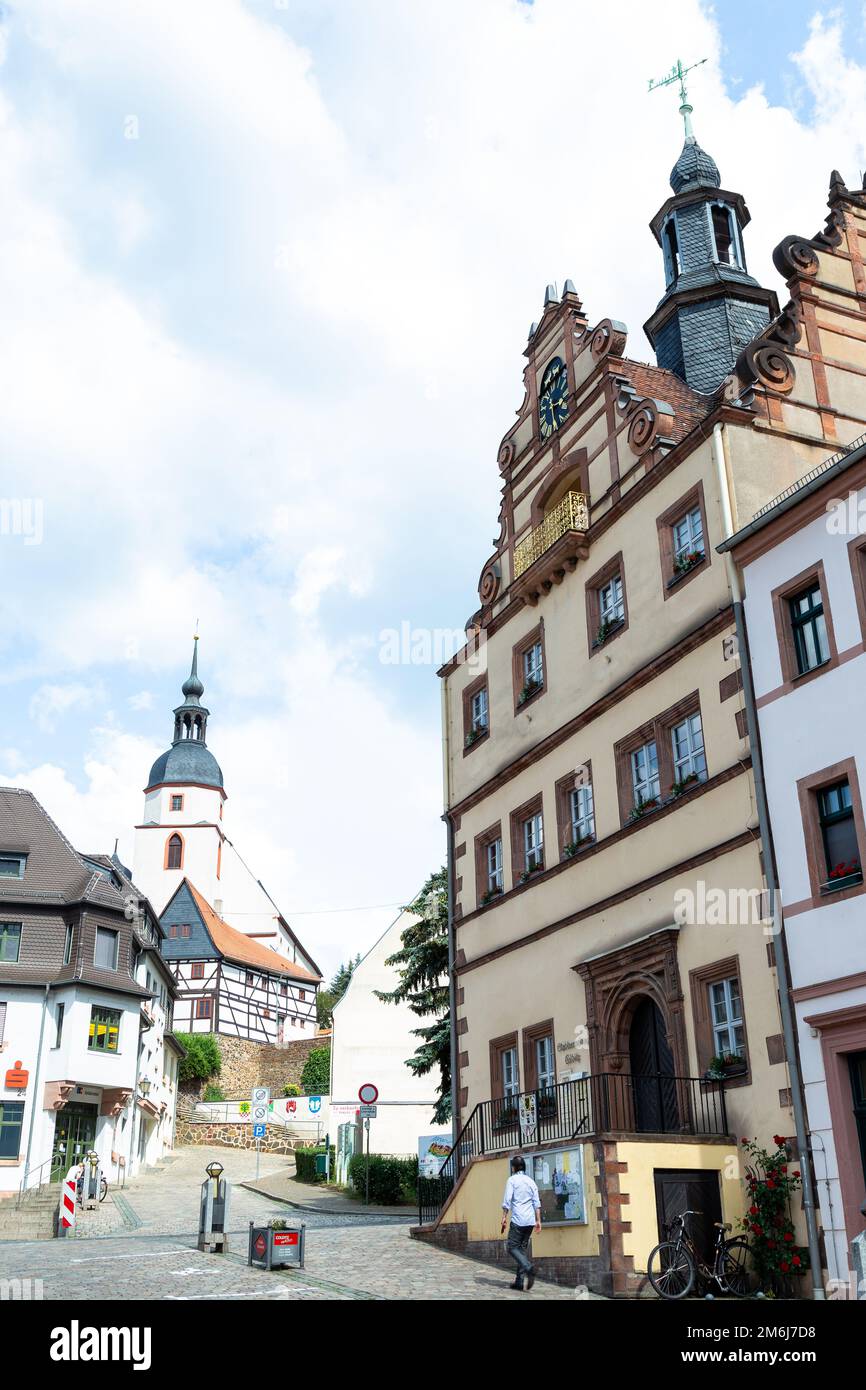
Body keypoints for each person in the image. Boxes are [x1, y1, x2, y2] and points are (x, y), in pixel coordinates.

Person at [500, 1154, 541, 1291]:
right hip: (530, 1220)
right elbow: (536, 1202)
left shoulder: (512, 1180)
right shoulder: (531, 1181)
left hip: (518, 1219)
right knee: (521, 1250)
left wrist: (504, 1217)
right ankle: (519, 1282)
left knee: (512, 1247)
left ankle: (529, 1268)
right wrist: (538, 1220)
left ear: (514, 1167)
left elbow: (507, 1200)